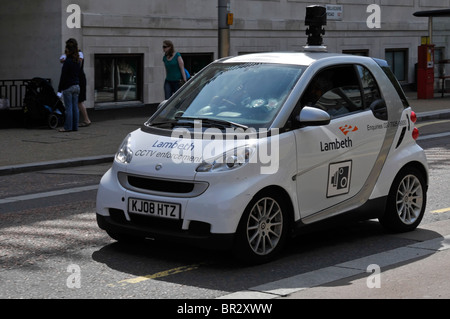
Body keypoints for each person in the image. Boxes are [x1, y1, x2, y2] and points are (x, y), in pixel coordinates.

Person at [60, 39, 91, 127]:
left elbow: (77, 64)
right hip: (77, 79)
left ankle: (85, 120)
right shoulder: (74, 56)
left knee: (77, 102)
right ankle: (76, 123)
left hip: (77, 80)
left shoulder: (78, 55)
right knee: (77, 102)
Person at [58, 41, 81, 132]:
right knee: (75, 107)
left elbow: (63, 76)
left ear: (68, 50)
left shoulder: (67, 62)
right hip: (76, 85)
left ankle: (68, 127)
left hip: (68, 86)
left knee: (69, 108)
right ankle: (75, 126)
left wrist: (59, 89)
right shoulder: (77, 61)